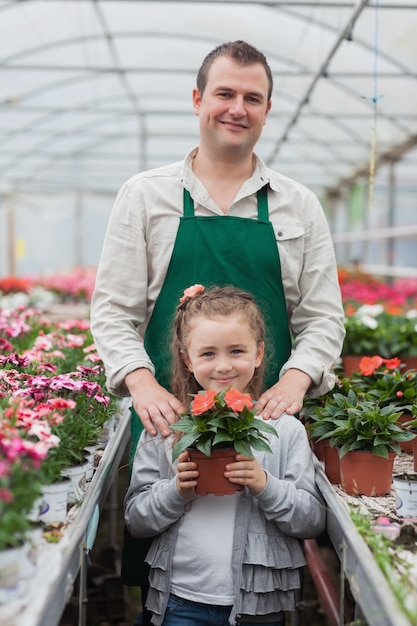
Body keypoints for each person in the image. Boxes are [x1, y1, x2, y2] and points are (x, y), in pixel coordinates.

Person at [90, 39, 344, 619]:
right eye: (225, 93)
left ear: (267, 109)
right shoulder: (146, 196)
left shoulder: (297, 205)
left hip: (266, 422)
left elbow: (323, 316)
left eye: (253, 98)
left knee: (260, 561)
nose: (238, 108)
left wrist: (298, 380)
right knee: (168, 558)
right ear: (199, 98)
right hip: (169, 417)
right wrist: (142, 383)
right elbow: (113, 310)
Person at [124, 285, 326, 626]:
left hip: (258, 606)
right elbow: (136, 520)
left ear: (259, 353)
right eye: (207, 354)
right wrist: (176, 491)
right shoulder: (165, 428)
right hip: (180, 601)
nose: (223, 366)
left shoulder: (284, 430)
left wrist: (265, 486)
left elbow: (312, 521)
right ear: (187, 358)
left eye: (236, 351)